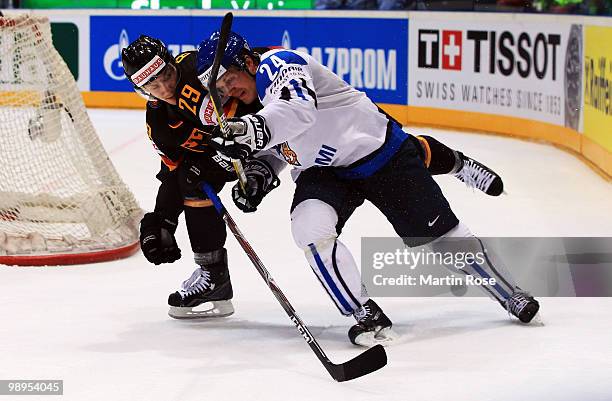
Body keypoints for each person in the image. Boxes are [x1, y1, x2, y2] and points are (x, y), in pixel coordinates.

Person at [196, 31, 540, 346]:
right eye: (222, 88)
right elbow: (281, 149)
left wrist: (250, 129)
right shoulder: (243, 107)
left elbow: (298, 113)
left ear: (248, 62)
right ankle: (364, 314)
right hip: (324, 171)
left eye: (230, 79)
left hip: (380, 155)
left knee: (441, 239)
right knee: (309, 229)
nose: (230, 90)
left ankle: (508, 291)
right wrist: (259, 174)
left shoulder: (279, 63)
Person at [121, 35, 270, 319]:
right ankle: (214, 277)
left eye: (166, 74)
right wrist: (163, 219)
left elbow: (252, 76)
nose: (165, 87)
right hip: (226, 155)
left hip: (268, 129)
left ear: (170, 61)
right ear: (140, 88)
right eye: (153, 85)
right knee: (191, 178)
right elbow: (172, 170)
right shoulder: (159, 124)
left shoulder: (199, 68)